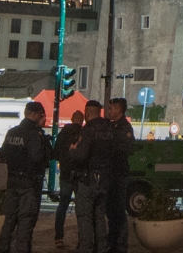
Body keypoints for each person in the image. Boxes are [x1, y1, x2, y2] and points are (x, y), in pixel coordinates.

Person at [0, 101, 52, 253]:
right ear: (34, 115)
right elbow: (37, 158)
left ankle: (2, 249)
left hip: (12, 180)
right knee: (25, 222)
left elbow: (3, 154)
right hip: (28, 183)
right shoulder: (34, 134)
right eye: (40, 115)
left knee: (9, 220)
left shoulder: (13, 132)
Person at [71, 100, 111, 253]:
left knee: (85, 217)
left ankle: (86, 249)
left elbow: (81, 155)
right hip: (104, 178)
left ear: (87, 113)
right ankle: (101, 248)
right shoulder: (108, 129)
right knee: (100, 217)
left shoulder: (88, 130)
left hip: (88, 179)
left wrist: (73, 150)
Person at [105, 97, 135, 253]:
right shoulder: (111, 126)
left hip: (119, 173)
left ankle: (120, 244)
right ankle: (113, 241)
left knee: (118, 210)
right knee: (111, 210)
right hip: (110, 173)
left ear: (118, 110)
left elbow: (126, 149)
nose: (109, 111)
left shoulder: (125, 127)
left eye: (111, 108)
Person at [52, 111, 86, 249]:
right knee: (82, 208)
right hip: (79, 174)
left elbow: (55, 152)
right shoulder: (84, 133)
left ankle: (58, 237)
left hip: (65, 174)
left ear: (72, 119)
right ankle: (82, 239)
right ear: (82, 120)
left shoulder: (63, 133)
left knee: (62, 206)